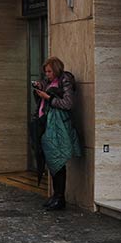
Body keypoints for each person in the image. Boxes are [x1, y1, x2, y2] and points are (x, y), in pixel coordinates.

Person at [33, 57, 81, 211]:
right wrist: (40, 88)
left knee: (58, 160)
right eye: (45, 72)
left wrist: (49, 98)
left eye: (49, 71)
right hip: (47, 125)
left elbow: (68, 103)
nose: (47, 74)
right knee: (51, 160)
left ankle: (60, 198)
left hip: (58, 127)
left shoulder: (64, 81)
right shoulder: (49, 82)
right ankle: (55, 195)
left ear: (56, 70)